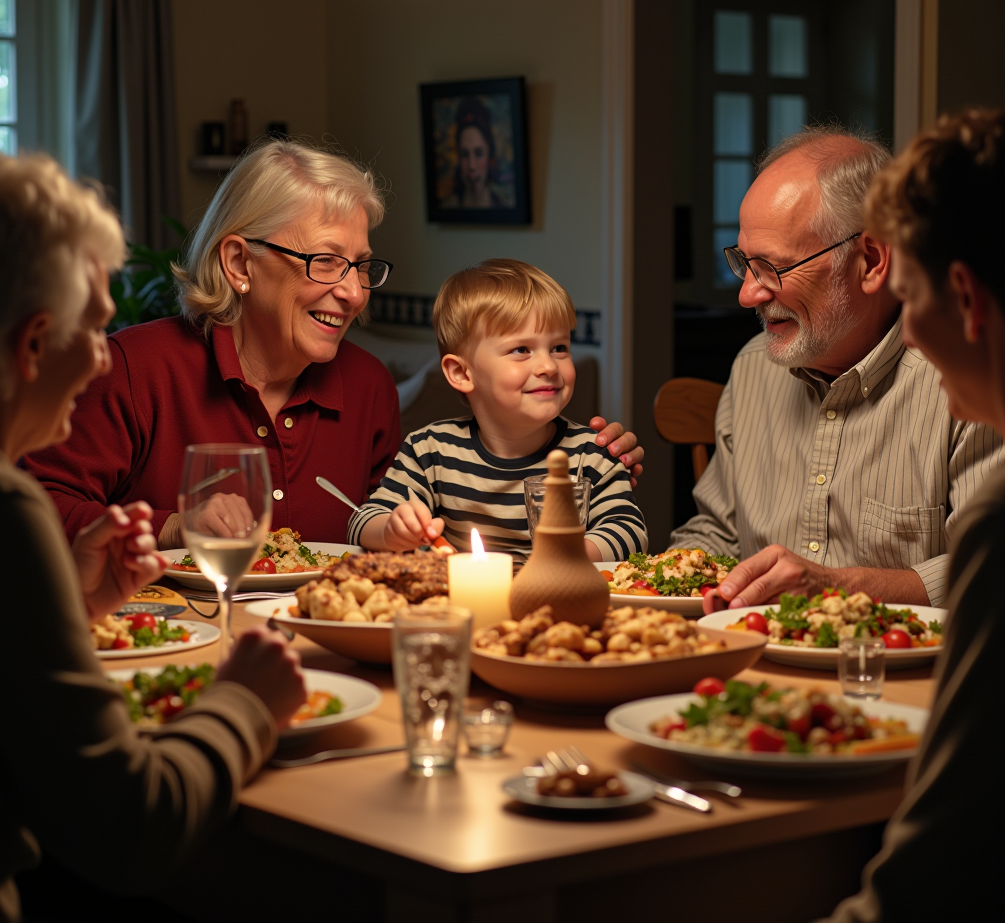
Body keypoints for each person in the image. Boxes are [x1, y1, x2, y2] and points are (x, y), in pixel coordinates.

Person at [22, 138, 646, 548]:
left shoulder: (367, 384)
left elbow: (394, 526)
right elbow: (34, 513)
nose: (352, 293)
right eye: (325, 262)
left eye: (362, 266)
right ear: (239, 262)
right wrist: (172, 528)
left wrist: (569, 453)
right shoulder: (136, 369)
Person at [0, 154, 306, 923]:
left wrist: (79, 606)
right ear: (32, 346)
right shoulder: (0, 506)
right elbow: (130, 832)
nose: (104, 357)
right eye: (94, 328)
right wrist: (245, 705)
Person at [668, 126, 1002, 611]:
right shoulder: (752, 369)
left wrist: (840, 589)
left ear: (870, 260)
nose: (747, 295)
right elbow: (717, 532)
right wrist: (648, 581)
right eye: (744, 263)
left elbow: (987, 565)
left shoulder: (965, 381)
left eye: (773, 268)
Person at [821, 109, 1004, 922]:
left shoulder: (998, 520)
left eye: (910, 298)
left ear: (963, 296)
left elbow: (935, 878)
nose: (914, 342)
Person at [350, 259, 648, 563]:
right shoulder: (430, 451)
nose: (548, 366)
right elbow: (362, 520)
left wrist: (568, 554)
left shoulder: (592, 455)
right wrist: (391, 530)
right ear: (462, 373)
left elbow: (628, 531)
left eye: (559, 347)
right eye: (521, 350)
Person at [441, 97, 506, 210]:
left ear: (489, 153)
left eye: (479, 153)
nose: (472, 166)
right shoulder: (448, 207)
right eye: (465, 154)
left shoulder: (504, 205)